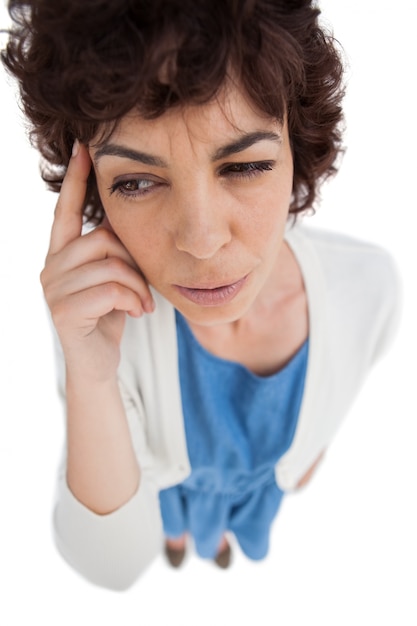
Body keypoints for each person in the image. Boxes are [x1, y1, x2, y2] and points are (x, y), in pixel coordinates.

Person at [1, 0, 401, 590]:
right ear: (94, 191)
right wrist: (89, 371)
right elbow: (110, 566)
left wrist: (307, 456)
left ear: (299, 149)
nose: (201, 241)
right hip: (154, 497)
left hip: (260, 493)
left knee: (234, 533)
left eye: (244, 166)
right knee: (174, 529)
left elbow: (332, 410)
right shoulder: (104, 321)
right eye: (136, 182)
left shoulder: (371, 289)